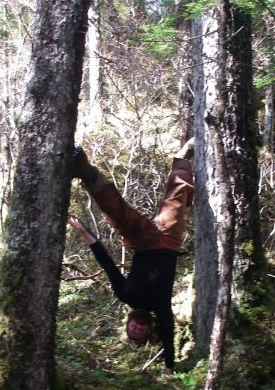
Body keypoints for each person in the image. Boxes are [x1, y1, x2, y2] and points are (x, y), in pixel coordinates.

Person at [68, 138, 194, 373]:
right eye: (139, 332)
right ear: (147, 329)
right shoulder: (162, 308)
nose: (137, 328)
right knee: (178, 195)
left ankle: (86, 172)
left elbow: (107, 264)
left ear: (129, 322)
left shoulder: (125, 295)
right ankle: (183, 158)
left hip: (143, 242)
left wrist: (84, 232)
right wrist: (169, 366)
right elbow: (168, 333)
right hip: (168, 241)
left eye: (132, 329)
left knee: (119, 216)